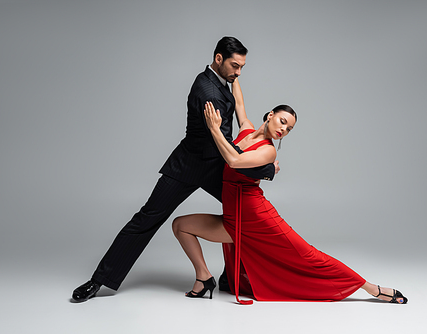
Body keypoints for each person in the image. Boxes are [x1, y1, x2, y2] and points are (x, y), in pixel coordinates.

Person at [72, 37, 277, 302]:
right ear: (218, 59)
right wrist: (266, 168)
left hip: (215, 164)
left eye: (242, 67)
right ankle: (98, 281)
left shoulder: (219, 79)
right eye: (235, 66)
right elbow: (223, 144)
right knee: (146, 218)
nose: (238, 73)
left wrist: (235, 81)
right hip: (190, 165)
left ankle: (230, 276)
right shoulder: (209, 93)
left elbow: (235, 103)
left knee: (245, 215)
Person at [172, 79, 408, 304]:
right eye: (283, 121)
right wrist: (234, 76)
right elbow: (240, 104)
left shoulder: (268, 152)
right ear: (270, 115)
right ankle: (204, 278)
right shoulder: (246, 131)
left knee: (307, 255)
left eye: (289, 129)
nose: (284, 129)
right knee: (180, 225)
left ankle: (371, 288)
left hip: (256, 218)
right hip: (235, 219)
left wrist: (214, 128)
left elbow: (233, 160)